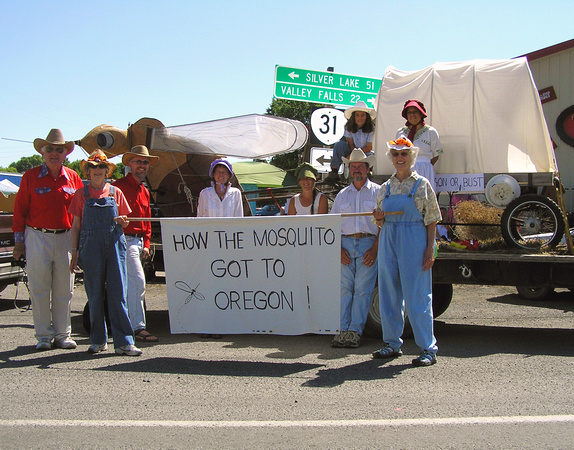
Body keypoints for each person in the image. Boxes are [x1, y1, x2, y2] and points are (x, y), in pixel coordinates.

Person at [12, 129, 84, 351]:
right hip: (36, 236)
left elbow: (81, 212)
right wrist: (19, 242)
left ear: (65, 153)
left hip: (65, 238)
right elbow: (19, 209)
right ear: (42, 152)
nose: (54, 152)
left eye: (59, 149)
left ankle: (63, 335)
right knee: (39, 288)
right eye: (50, 149)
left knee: (65, 289)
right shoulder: (30, 176)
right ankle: (43, 336)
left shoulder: (73, 177)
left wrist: (79, 245)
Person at [372, 138, 442, 367]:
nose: (399, 159)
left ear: (411, 158)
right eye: (395, 155)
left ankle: (427, 348)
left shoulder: (422, 185)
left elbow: (432, 221)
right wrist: (379, 218)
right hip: (389, 239)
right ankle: (392, 343)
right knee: (389, 294)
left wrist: (430, 250)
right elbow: (379, 221)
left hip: (414, 239)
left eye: (403, 155)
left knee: (417, 296)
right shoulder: (386, 187)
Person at [69, 150, 142, 356]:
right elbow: (75, 226)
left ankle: (124, 342)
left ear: (107, 171)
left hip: (115, 244)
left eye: (101, 167)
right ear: (88, 171)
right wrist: (74, 253)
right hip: (90, 246)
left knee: (118, 292)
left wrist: (122, 221)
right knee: (94, 293)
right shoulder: (80, 194)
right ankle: (98, 340)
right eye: (93, 167)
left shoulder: (115, 192)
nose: (97, 170)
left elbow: (126, 220)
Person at [330, 149, 380, 348]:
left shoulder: (378, 191)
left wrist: (376, 248)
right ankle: (342, 329)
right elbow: (332, 225)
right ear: (349, 169)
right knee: (344, 289)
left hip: (368, 243)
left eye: (360, 166)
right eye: (353, 166)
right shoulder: (342, 195)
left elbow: (384, 224)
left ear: (368, 169)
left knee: (362, 289)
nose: (357, 169)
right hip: (345, 244)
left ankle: (354, 332)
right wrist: (337, 249)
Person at [113, 145, 159, 343]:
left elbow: (146, 220)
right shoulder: (117, 187)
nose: (142, 165)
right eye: (138, 161)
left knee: (130, 284)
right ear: (130, 164)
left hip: (138, 241)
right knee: (137, 282)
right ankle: (137, 327)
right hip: (123, 239)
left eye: (145, 162)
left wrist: (147, 244)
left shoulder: (145, 191)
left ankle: (126, 325)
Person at [395, 99, 443, 190]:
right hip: (403, 169)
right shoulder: (400, 132)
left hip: (424, 170)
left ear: (421, 114)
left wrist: (423, 165)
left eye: (415, 112)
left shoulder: (430, 132)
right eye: (409, 112)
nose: (412, 115)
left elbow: (436, 155)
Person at [325, 101, 376, 182]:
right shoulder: (348, 127)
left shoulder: (371, 129)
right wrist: (352, 154)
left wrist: (357, 154)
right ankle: (334, 171)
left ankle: (368, 171)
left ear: (366, 117)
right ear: (354, 117)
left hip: (365, 152)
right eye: (357, 115)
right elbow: (350, 143)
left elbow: (369, 147)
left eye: (363, 115)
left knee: (372, 155)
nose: (360, 118)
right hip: (352, 149)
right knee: (339, 144)